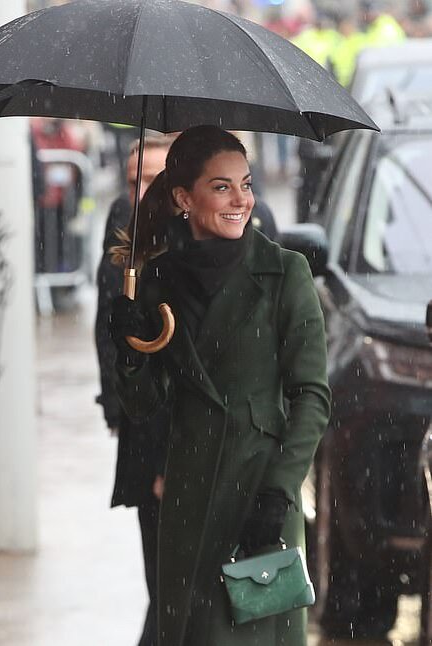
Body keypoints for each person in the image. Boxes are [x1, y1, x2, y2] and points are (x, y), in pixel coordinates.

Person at [107, 125, 330, 645]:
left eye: (246, 184)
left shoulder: (284, 274)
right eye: (222, 186)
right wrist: (129, 349)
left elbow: (312, 397)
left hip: (261, 498)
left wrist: (277, 491)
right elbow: (143, 403)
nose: (241, 199)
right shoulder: (158, 280)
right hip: (187, 499)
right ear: (184, 197)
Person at [94, 132, 174, 646]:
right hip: (146, 432)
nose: (137, 192)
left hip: (200, 452)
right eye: (132, 181)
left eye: (152, 180)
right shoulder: (125, 227)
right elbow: (107, 325)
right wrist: (115, 399)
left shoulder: (213, 248)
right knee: (163, 587)